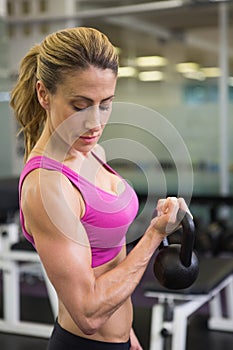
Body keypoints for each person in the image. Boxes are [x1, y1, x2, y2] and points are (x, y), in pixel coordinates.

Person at [10, 27, 191, 350]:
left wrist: (128, 331)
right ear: (43, 94)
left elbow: (109, 252)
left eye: (105, 104)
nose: (95, 123)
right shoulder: (47, 186)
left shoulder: (93, 151)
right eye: (80, 106)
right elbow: (88, 314)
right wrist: (153, 236)